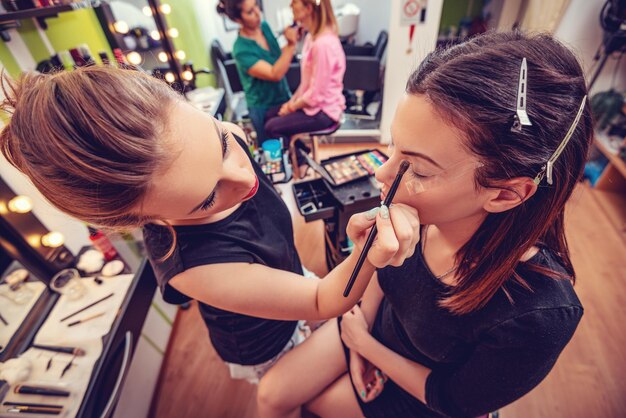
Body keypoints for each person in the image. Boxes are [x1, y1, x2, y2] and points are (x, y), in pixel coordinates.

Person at [0, 66, 420, 384]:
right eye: (206, 198)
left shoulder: (227, 140)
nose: (244, 179)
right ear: (141, 220)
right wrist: (370, 255)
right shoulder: (194, 267)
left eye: (221, 142)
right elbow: (317, 301)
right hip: (263, 340)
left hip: (290, 276)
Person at [257, 30, 590, 417]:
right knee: (271, 394)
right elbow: (384, 279)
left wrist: (366, 348)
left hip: (424, 394)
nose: (383, 174)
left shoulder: (539, 315)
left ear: (504, 194)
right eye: (394, 147)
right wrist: (360, 320)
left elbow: (453, 401)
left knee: (313, 404)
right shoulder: (422, 216)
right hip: (372, 327)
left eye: (415, 167)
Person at [264, 0, 346, 148]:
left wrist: (291, 108)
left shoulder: (323, 45)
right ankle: (300, 157)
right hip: (313, 104)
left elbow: (315, 96)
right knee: (270, 114)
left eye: (294, 2)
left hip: (324, 112)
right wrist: (291, 103)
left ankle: (300, 162)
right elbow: (306, 83)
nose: (290, 5)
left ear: (308, 8)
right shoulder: (311, 38)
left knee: (271, 127)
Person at [217, 0, 298, 144]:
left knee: (292, 146)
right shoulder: (241, 49)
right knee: (274, 153)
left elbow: (278, 58)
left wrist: (291, 38)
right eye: (250, 11)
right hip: (263, 107)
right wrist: (291, 45)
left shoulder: (264, 27)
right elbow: (275, 74)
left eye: (256, 5)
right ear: (237, 19)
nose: (257, 12)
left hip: (284, 97)